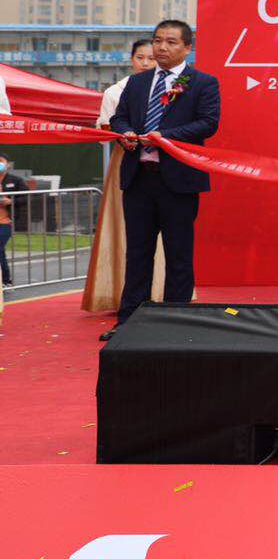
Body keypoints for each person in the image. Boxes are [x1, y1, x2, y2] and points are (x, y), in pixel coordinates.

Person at [103, 20, 221, 341]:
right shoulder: (137, 82)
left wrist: (163, 137)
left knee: (178, 252)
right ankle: (130, 321)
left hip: (179, 181)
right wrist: (126, 133)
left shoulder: (202, 83)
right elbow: (118, 117)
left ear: (187, 48)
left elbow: (208, 123)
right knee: (137, 253)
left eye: (171, 42)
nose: (162, 47)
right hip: (139, 178)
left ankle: (176, 321)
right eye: (157, 41)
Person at [83, 39, 163, 314]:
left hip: (163, 163)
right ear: (131, 59)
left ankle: (163, 292)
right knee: (127, 229)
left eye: (151, 58)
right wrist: (124, 136)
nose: (145, 63)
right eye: (140, 57)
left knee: (162, 227)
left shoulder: (171, 88)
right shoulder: (115, 91)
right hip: (126, 160)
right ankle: (122, 293)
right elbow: (105, 128)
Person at [0, 154, 26, 302]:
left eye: (1, 161)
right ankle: (6, 280)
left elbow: (27, 196)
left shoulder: (15, 180)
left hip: (5, 221)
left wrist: (11, 201)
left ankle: (6, 281)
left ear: (8, 164)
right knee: (0, 251)